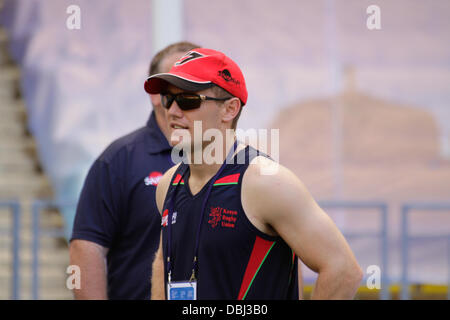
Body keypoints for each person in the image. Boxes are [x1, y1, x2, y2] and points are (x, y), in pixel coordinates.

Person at [148, 48, 363, 300]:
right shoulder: (169, 184)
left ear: (229, 109)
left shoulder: (266, 181)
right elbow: (164, 264)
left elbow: (343, 270)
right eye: (167, 99)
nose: (172, 111)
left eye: (187, 100)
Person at [69, 41, 201, 300]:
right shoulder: (118, 160)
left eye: (194, 83)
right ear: (155, 94)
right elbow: (86, 248)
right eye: (174, 84)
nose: (183, 93)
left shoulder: (229, 162)